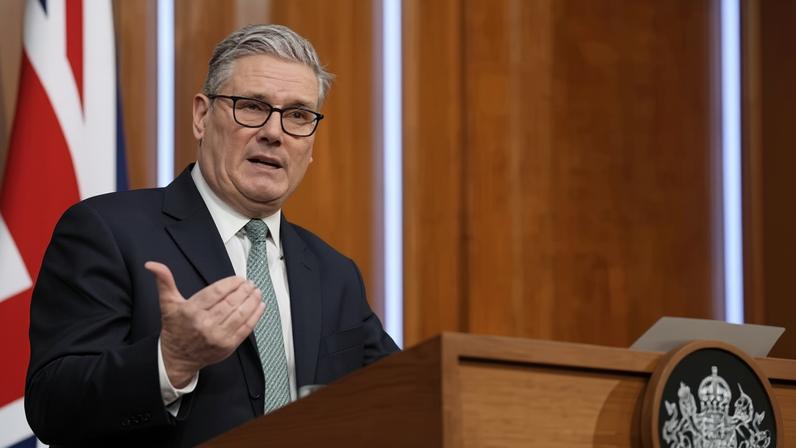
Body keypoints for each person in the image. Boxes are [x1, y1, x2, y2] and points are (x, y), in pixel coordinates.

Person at [25, 24, 398, 447]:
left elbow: (406, 396)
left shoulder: (335, 273)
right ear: (202, 116)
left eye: (298, 115)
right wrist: (171, 360)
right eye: (252, 106)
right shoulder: (107, 231)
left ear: (310, 145)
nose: (274, 133)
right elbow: (51, 405)